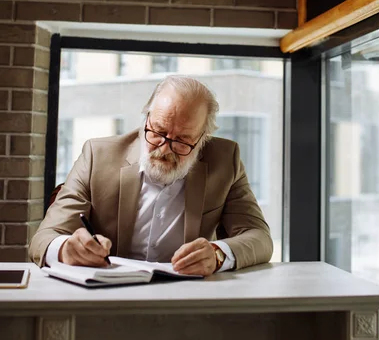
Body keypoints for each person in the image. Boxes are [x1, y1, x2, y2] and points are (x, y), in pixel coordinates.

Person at [29, 75, 273, 275]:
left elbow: (260, 238)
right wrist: (65, 249)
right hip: (107, 295)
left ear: (202, 138)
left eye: (182, 141)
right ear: (147, 119)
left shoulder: (225, 159)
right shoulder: (97, 156)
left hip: (186, 297)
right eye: (158, 131)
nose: (164, 149)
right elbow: (43, 239)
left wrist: (218, 254)